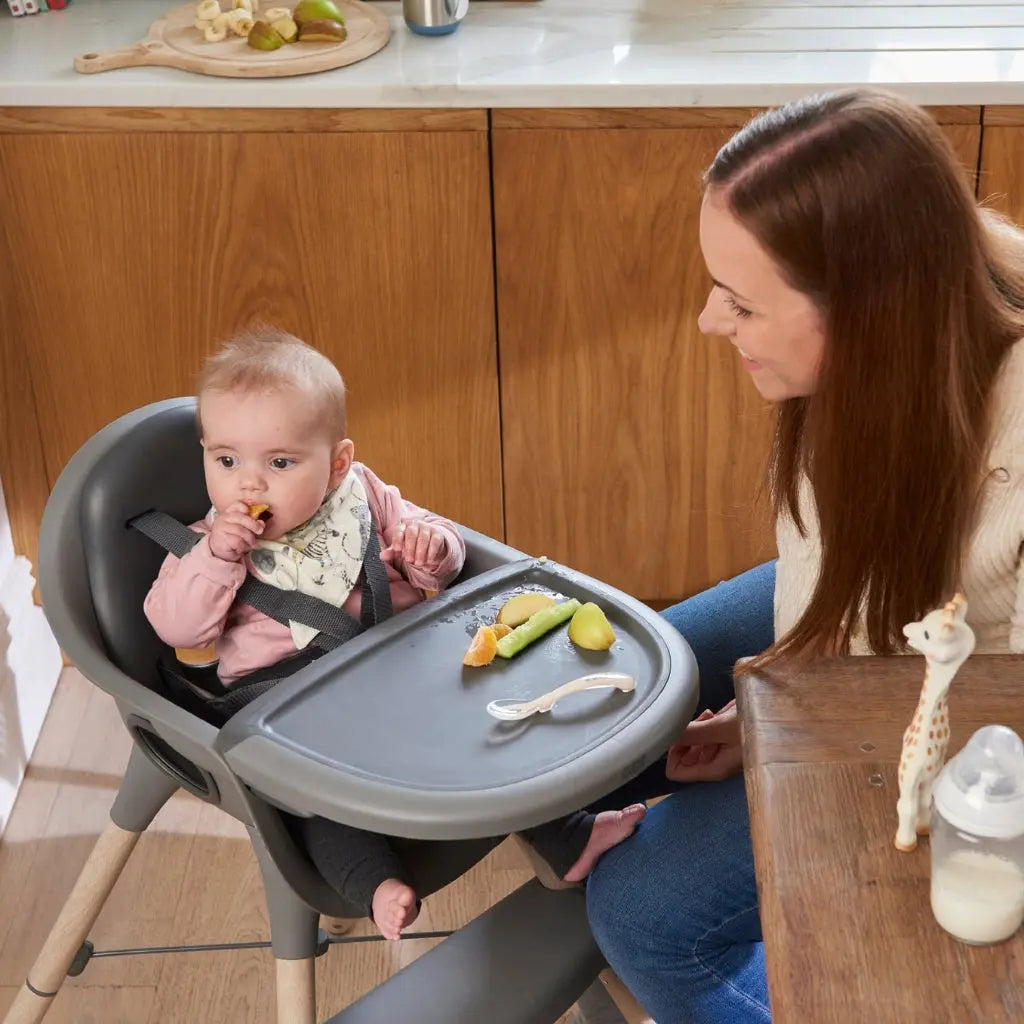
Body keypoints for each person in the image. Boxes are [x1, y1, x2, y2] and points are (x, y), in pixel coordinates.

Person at [584, 88, 1024, 1023]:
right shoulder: (925, 285)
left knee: (642, 915)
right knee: (617, 692)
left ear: (864, 314)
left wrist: (790, 736)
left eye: (740, 302)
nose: (709, 322)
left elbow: (1004, 747)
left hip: (963, 714)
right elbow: (838, 558)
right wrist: (774, 699)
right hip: (874, 606)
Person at [143, 327, 645, 941]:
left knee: (494, 730)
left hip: (405, 675)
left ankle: (566, 836)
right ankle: (374, 885)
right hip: (298, 714)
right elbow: (176, 625)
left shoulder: (361, 497)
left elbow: (440, 554)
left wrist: (432, 551)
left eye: (279, 462)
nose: (248, 484)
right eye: (226, 461)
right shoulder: (204, 546)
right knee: (320, 805)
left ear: (337, 464)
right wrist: (218, 559)